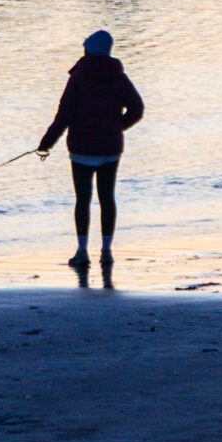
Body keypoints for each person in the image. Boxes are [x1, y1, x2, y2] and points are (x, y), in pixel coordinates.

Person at [38, 29, 144, 270]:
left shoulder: (79, 76)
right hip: (110, 148)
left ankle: (82, 251)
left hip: (82, 149)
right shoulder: (119, 77)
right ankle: (106, 252)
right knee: (107, 198)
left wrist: (46, 143)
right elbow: (137, 109)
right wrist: (116, 128)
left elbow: (63, 115)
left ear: (88, 49)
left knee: (82, 200)